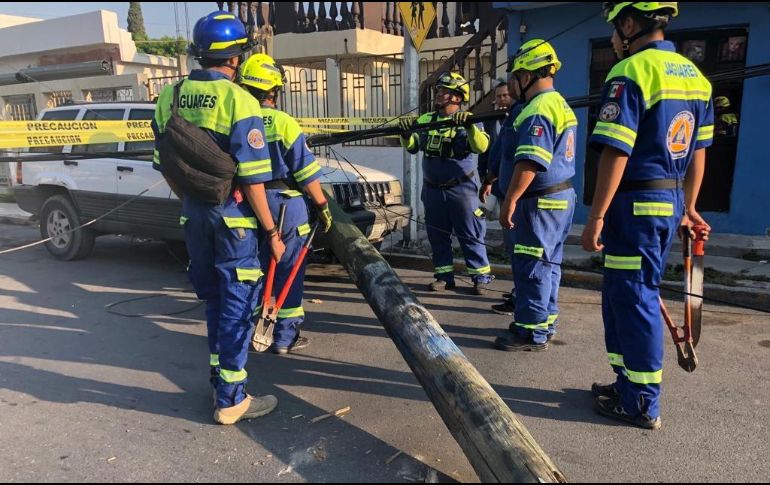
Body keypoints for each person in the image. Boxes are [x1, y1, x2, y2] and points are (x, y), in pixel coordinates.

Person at [582, 2, 713, 430]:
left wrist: (596, 215)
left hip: (633, 206)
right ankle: (627, 385)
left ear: (629, 24)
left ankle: (641, 401)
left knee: (634, 297)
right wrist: (689, 206)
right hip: (667, 201)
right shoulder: (695, 77)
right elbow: (698, 153)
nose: (615, 40)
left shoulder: (631, 73)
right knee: (628, 294)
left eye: (615, 30)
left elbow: (616, 151)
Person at [152, 11, 283, 425]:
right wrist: (273, 231)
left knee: (213, 301)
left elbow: (167, 166)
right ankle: (231, 399)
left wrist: (196, 200)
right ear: (236, 58)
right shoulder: (239, 100)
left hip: (193, 216)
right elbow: (255, 179)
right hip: (235, 221)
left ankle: (218, 378)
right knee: (238, 307)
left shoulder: (169, 97)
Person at [238, 53, 332, 355]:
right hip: (285, 206)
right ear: (273, 92)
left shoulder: (236, 121)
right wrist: (322, 205)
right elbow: (305, 172)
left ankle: (255, 331)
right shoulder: (283, 122)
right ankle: (283, 338)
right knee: (289, 270)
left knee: (257, 270)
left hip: (246, 205)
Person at [492, 39, 577, 352]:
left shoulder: (538, 109)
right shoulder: (559, 104)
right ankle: (544, 320)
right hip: (558, 199)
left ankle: (530, 332)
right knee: (548, 264)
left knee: (531, 265)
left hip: (538, 202)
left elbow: (530, 160)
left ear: (526, 76)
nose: (512, 84)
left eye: (515, 77)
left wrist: (510, 199)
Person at [399, 72, 492, 295]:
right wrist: (405, 133)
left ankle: (480, 277)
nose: (438, 94)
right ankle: (444, 277)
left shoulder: (468, 120)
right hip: (432, 190)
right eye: (439, 91)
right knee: (437, 235)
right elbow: (412, 146)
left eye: (444, 92)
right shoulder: (426, 120)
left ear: (458, 98)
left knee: (470, 233)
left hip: (461, 190)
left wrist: (468, 126)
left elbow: (481, 146)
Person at [479, 80, 521, 316]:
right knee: (513, 247)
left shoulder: (521, 117)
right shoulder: (490, 121)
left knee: (521, 249)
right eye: (499, 96)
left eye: (507, 95)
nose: (503, 99)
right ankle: (519, 292)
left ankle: (522, 297)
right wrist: (486, 180)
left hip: (518, 193)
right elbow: (490, 155)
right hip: (500, 188)